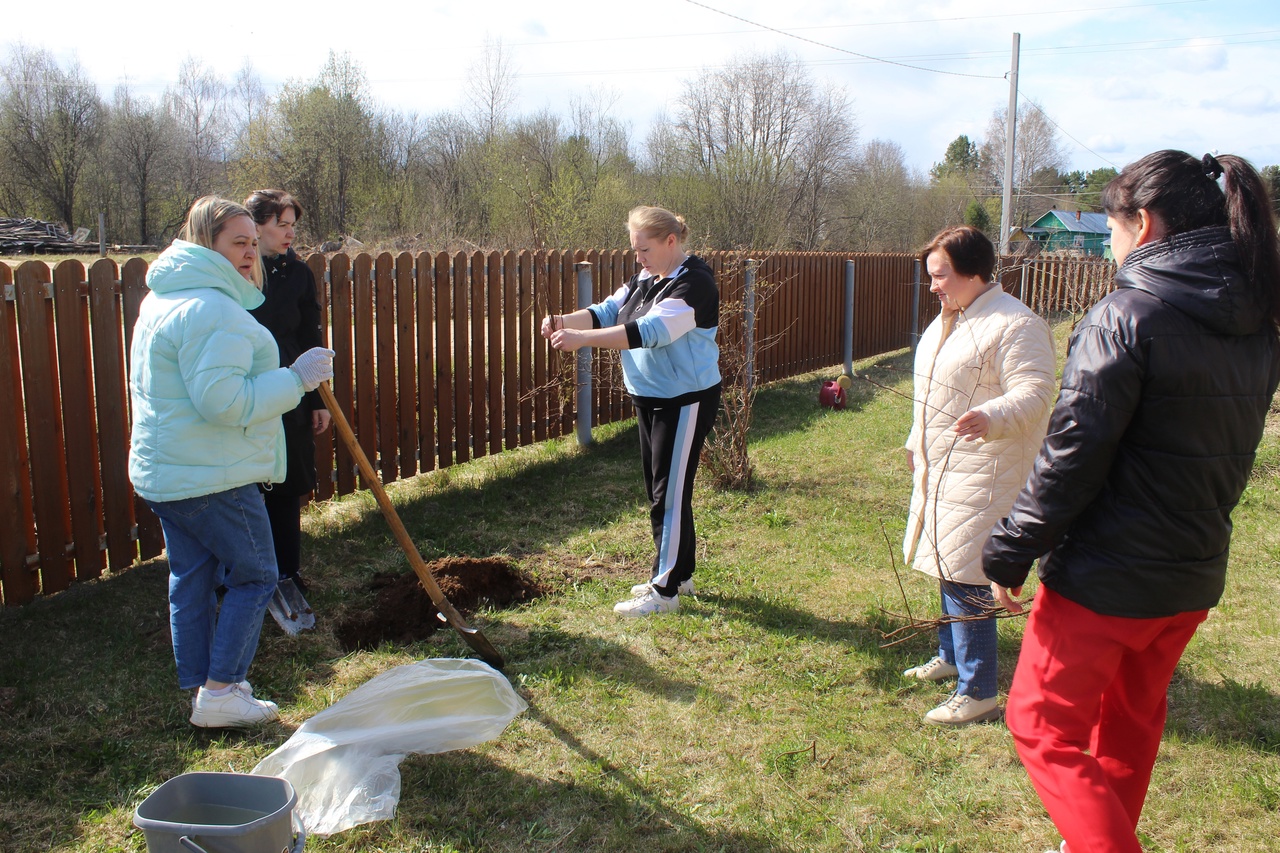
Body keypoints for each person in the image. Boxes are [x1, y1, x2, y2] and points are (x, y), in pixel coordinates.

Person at [983, 151, 1280, 853]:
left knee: (1039, 723)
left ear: (1142, 224)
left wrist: (1010, 546)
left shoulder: (1127, 314)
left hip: (1108, 577)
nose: (1110, 245)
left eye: (1113, 228)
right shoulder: (1256, 318)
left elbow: (1071, 454)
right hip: (1191, 571)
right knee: (1129, 722)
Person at [128, 196, 335, 727]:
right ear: (206, 246)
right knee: (257, 574)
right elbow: (225, 403)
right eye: (236, 244)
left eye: (250, 243)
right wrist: (297, 380)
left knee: (192, 577)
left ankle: (202, 686)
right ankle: (223, 691)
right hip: (209, 476)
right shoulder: (210, 310)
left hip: (168, 470)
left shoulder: (167, 297)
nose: (249, 255)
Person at [901, 225, 1056, 727]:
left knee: (968, 575)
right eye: (931, 277)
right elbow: (931, 395)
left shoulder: (1015, 324)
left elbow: (1035, 392)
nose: (933, 287)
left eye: (940, 275)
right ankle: (951, 656)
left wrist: (992, 417)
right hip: (944, 465)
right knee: (949, 563)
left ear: (973, 271)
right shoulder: (949, 319)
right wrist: (914, 440)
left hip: (986, 467)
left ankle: (979, 691)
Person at [542, 205, 720, 617]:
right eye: (635, 250)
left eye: (644, 249)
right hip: (651, 397)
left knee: (668, 497)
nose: (637, 258)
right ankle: (680, 574)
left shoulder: (695, 285)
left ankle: (664, 592)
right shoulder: (646, 278)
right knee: (664, 491)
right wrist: (561, 320)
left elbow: (649, 332)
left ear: (671, 241)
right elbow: (609, 311)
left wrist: (582, 340)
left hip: (685, 400)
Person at [245, 189, 331, 633]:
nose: (289, 232)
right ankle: (248, 579)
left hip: (294, 393)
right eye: (281, 223)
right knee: (249, 490)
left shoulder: (297, 274)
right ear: (255, 226)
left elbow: (312, 337)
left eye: (292, 223)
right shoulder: (240, 274)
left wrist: (316, 398)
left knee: (287, 484)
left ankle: (288, 574)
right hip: (251, 393)